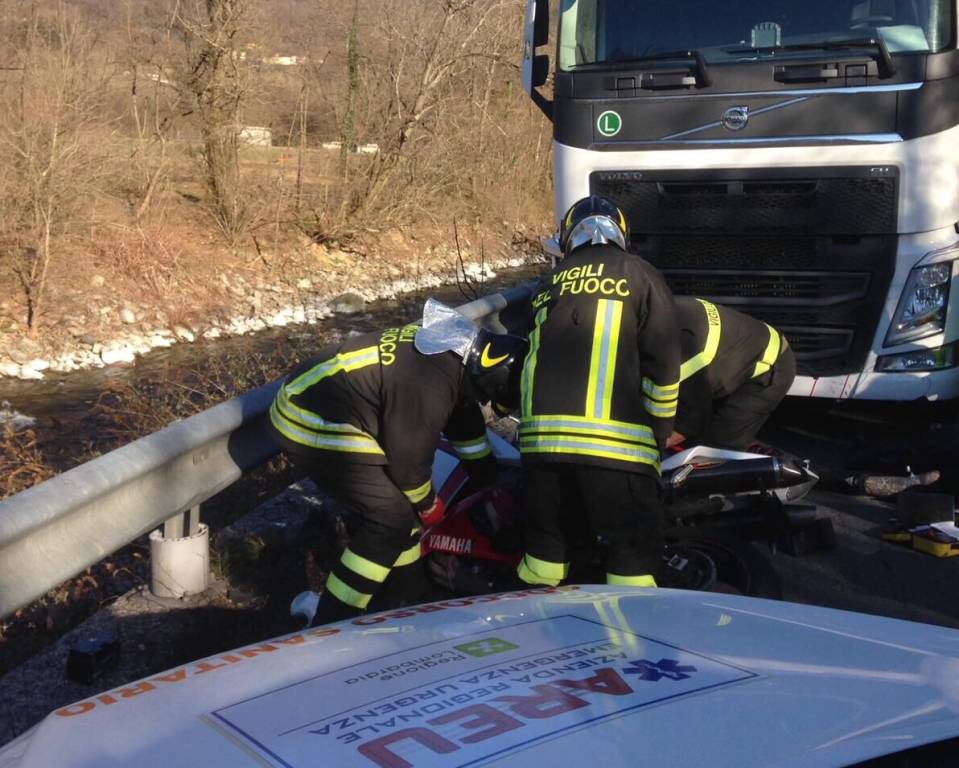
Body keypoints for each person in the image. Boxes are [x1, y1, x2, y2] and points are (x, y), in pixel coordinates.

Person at [270, 316, 527, 625]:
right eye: (494, 400)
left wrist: (488, 479)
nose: (490, 406)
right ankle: (333, 620)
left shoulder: (454, 356)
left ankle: (406, 596)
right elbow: (408, 464)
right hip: (309, 416)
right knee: (389, 518)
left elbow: (466, 424)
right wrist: (430, 504)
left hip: (330, 400)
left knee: (405, 516)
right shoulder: (428, 384)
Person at [516, 195, 681, 589]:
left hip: (541, 453)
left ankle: (541, 637)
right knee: (632, 560)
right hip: (616, 452)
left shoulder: (548, 283)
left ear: (568, 237)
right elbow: (663, 361)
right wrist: (659, 432)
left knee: (546, 556)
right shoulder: (640, 274)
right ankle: (626, 643)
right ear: (621, 234)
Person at [669, 296, 796, 451]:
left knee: (713, 453)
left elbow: (688, 423)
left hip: (768, 369)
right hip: (730, 362)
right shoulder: (658, 308)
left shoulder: (681, 355)